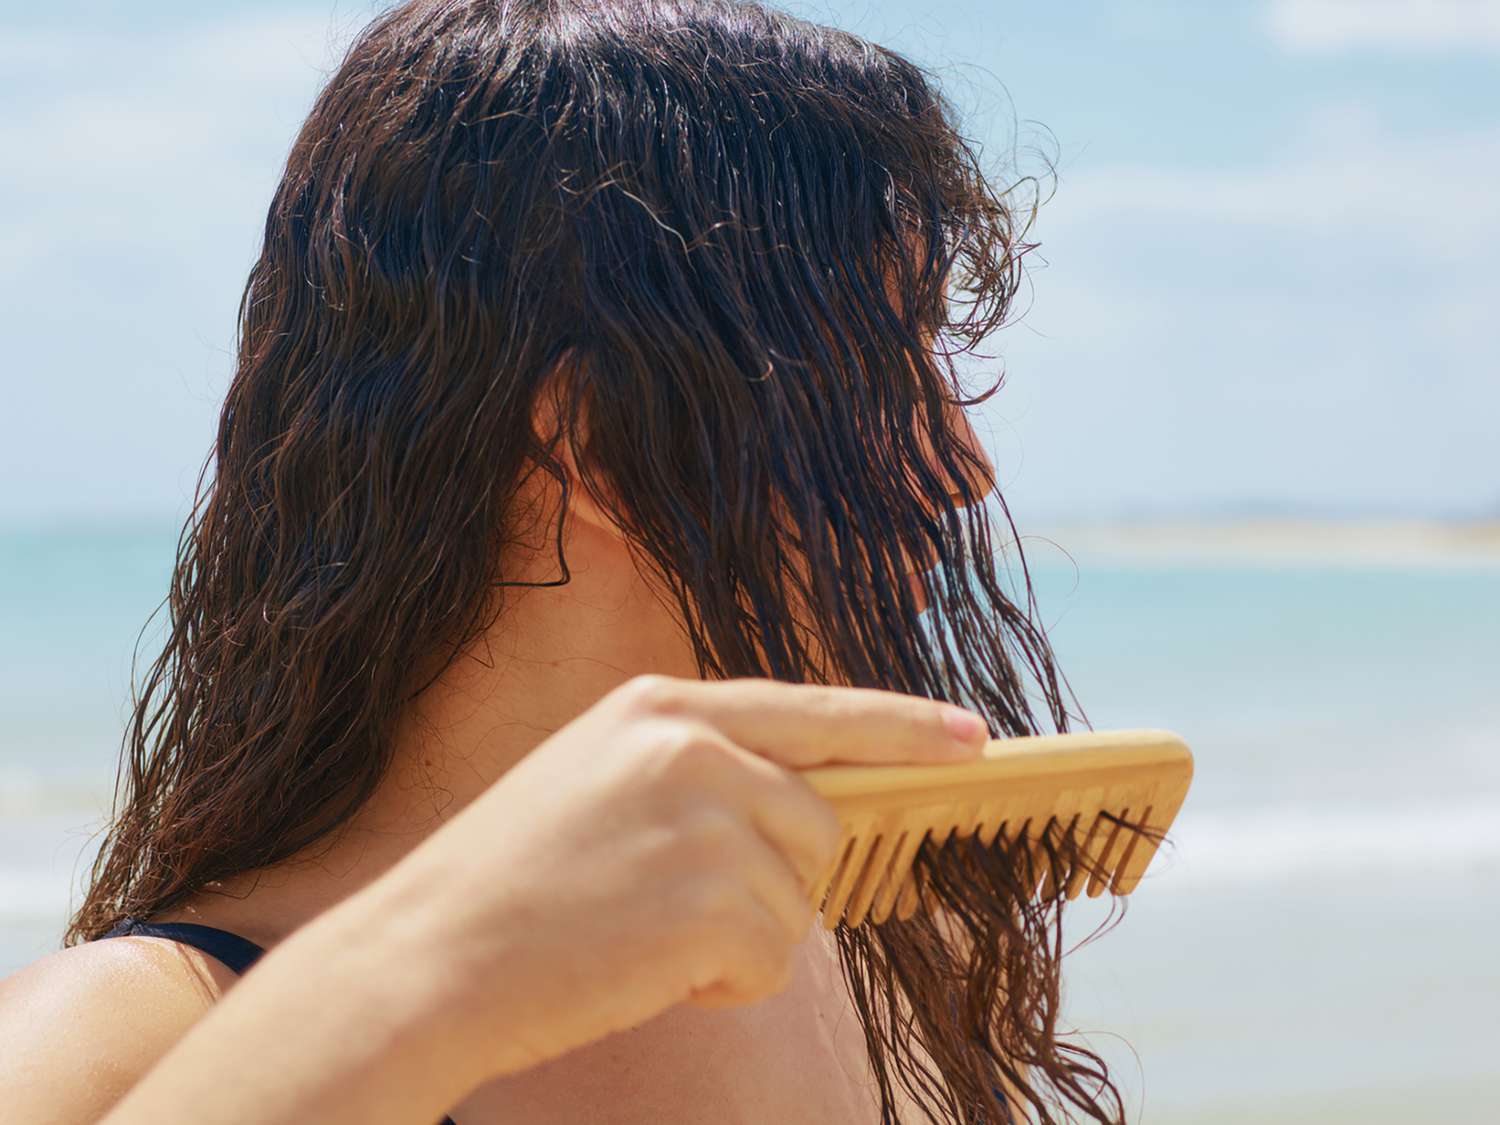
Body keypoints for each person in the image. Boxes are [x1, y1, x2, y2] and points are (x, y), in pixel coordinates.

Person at [0, 1, 1129, 1122]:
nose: (967, 464)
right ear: (597, 444)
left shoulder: (872, 936)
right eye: (886, 371)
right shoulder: (126, 1042)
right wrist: (442, 977)